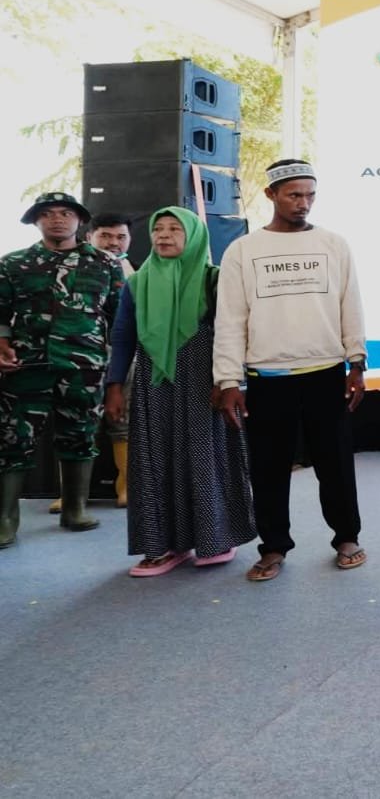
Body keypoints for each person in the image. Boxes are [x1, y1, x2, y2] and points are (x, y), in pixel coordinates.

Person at [214, 159, 368, 580]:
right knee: (268, 469)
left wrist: (357, 362)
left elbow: (350, 305)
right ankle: (273, 547)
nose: (304, 203)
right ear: (271, 195)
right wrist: (228, 380)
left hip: (326, 373)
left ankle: (347, 538)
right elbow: (230, 320)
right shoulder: (243, 250)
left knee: (336, 465)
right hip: (267, 378)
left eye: (310, 195)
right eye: (294, 195)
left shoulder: (334, 244)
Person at [105, 208, 254, 575]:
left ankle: (216, 538)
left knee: (204, 456)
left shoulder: (214, 280)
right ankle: (162, 546)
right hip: (155, 385)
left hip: (206, 383)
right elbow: (123, 337)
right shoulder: (138, 283)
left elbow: (234, 333)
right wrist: (114, 386)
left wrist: (230, 381)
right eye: (158, 228)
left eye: (175, 229)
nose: (164, 235)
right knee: (154, 460)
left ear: (194, 237)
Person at [0, 192, 123, 547]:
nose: (57, 219)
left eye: (66, 213)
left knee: (80, 435)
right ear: (35, 220)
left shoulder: (105, 263)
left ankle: (75, 509)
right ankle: (6, 519)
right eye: (48, 213)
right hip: (25, 366)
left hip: (84, 367)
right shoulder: (13, 263)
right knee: (12, 440)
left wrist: (116, 370)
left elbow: (120, 318)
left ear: (80, 220)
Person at [46, 212, 136, 515]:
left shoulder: (141, 272)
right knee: (78, 424)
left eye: (120, 237)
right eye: (105, 236)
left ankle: (126, 488)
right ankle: (73, 496)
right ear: (89, 237)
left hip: (123, 357)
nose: (113, 243)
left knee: (122, 420)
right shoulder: (70, 266)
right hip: (79, 357)